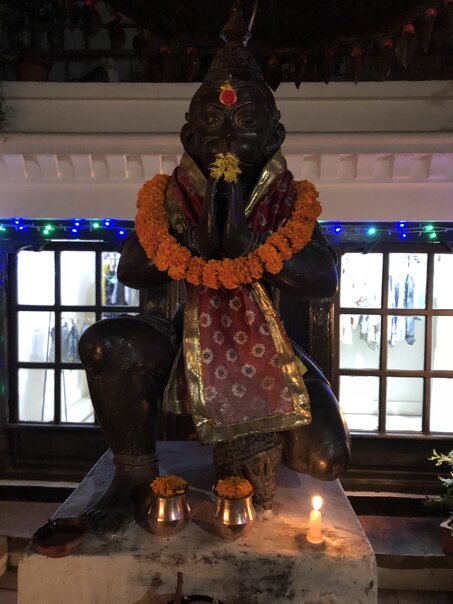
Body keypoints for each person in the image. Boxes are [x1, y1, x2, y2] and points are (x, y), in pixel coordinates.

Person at [79, 5, 350, 529]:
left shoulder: (289, 202)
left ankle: (252, 447)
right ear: (189, 139)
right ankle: (133, 472)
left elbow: (323, 280)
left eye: (245, 122)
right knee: (106, 344)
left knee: (326, 460)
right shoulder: (170, 197)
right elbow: (131, 269)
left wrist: (252, 249)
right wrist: (192, 244)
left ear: (273, 137)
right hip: (179, 337)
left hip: (267, 347)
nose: (226, 135)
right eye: (211, 122)